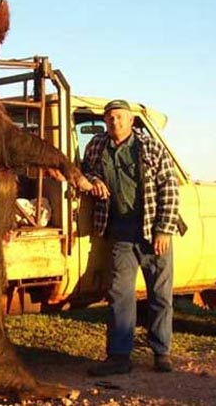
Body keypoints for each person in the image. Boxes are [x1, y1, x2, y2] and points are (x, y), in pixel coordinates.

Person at [82, 99, 180, 375]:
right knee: (119, 294)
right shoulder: (97, 146)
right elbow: (85, 170)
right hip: (120, 229)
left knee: (159, 293)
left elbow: (169, 188)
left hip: (151, 228)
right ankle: (118, 357)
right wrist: (94, 180)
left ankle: (162, 352)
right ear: (105, 121)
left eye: (120, 117)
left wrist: (164, 230)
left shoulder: (150, 147)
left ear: (132, 121)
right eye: (110, 118)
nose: (115, 122)